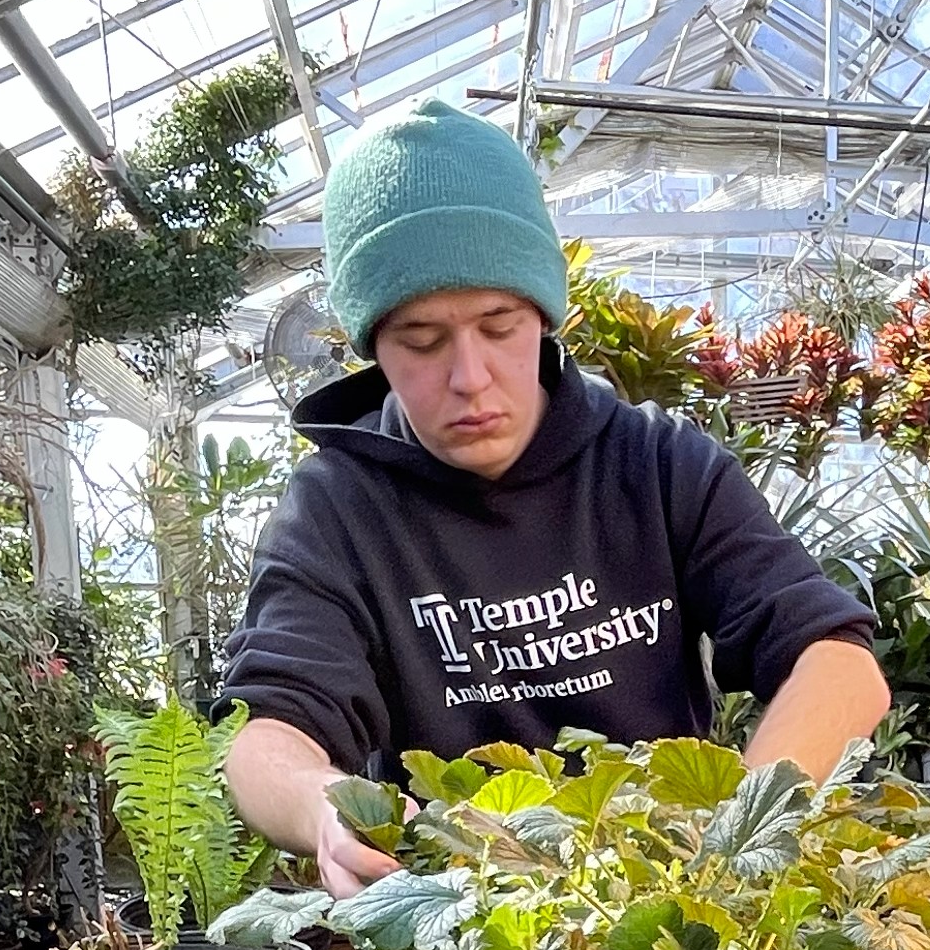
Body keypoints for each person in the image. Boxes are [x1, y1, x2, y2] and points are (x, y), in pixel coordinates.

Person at [220, 100, 892, 890]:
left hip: (664, 908)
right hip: (454, 927)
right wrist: (323, 807)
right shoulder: (338, 506)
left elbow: (840, 666)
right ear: (372, 345)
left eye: (499, 326)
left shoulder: (656, 462)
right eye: (421, 341)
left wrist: (737, 836)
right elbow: (265, 733)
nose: (469, 378)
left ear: (542, 313)